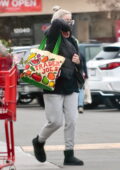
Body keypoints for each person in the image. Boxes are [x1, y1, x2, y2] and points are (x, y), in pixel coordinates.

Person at [32, 6, 84, 166]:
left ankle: (69, 154)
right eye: (68, 21)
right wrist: (59, 17)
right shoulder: (52, 36)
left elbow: (77, 64)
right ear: (60, 22)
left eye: (71, 20)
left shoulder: (73, 39)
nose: (71, 24)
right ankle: (39, 141)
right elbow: (55, 25)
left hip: (71, 84)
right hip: (53, 83)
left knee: (72, 121)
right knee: (55, 122)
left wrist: (78, 62)